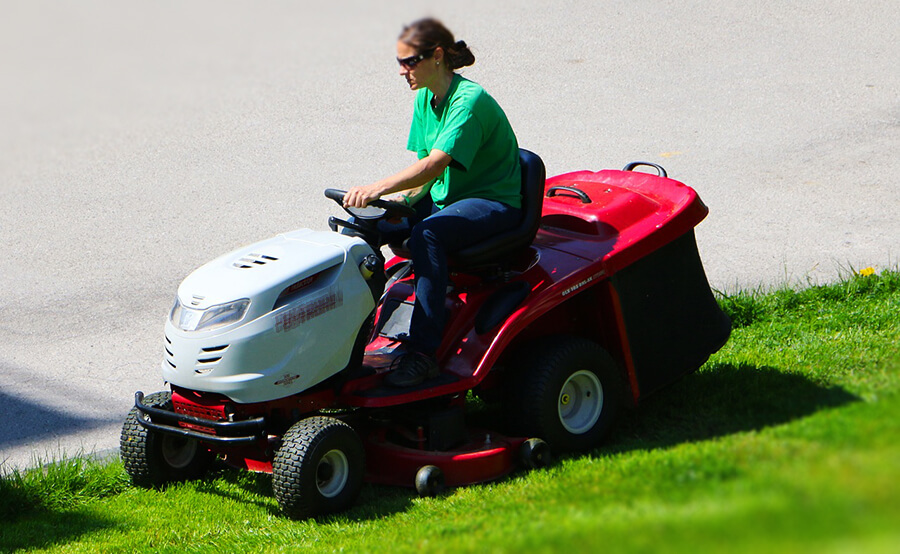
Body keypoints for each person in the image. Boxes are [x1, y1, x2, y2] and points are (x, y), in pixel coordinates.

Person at [343, 18, 522, 387]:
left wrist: (377, 188)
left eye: (409, 62)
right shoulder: (426, 96)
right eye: (400, 62)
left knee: (427, 235)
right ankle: (347, 346)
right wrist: (391, 208)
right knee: (367, 225)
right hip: (447, 197)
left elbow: (435, 164)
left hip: (492, 201)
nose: (402, 71)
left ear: (437, 56)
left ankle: (423, 354)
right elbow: (424, 176)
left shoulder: (469, 101)